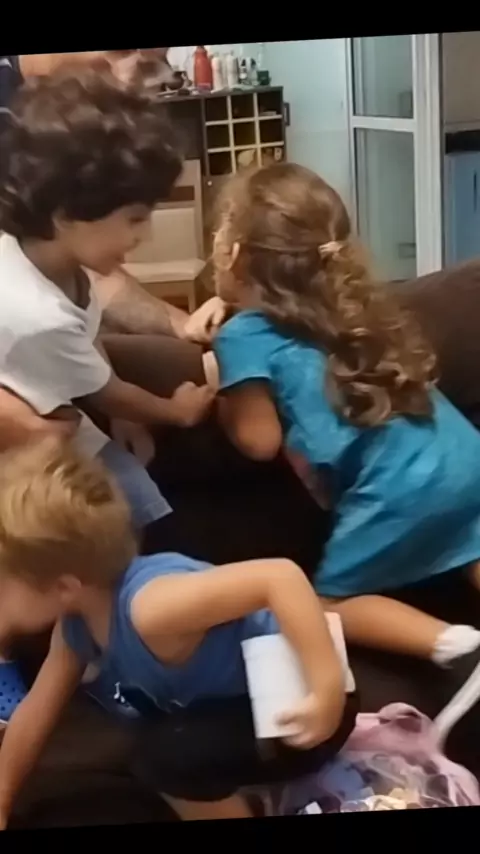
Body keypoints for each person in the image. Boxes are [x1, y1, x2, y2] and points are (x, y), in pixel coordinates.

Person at [208, 162, 480, 743]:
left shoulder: (243, 337)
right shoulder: (358, 311)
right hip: (464, 456)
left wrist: (221, 389)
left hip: (396, 492)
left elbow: (258, 441)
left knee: (326, 603)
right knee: (471, 538)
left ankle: (459, 649)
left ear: (234, 255)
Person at [0, 70, 215, 718]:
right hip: (23, 452)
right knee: (26, 556)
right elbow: (107, 388)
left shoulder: (62, 262)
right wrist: (175, 410)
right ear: (67, 216)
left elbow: (89, 340)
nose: (141, 236)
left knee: (132, 517)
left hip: (61, 418)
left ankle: (110, 644)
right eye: (134, 220)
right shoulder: (31, 311)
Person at [0, 439, 356, 825]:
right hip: (230, 707)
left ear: (64, 586)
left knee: (160, 759)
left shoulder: (151, 609)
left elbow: (280, 577)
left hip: (301, 709)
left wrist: (326, 693)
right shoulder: (76, 623)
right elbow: (35, 712)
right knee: (157, 741)